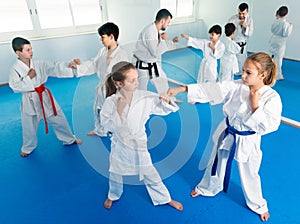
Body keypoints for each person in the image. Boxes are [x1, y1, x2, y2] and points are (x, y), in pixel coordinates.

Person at [168, 52, 282, 221]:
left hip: (248, 139)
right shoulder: (237, 85)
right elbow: (213, 89)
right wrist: (183, 89)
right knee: (216, 162)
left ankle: (258, 204)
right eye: (243, 70)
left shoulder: (271, 97)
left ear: (263, 75)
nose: (243, 75)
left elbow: (270, 125)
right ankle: (208, 188)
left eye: (248, 73)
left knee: (250, 173)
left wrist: (255, 104)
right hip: (228, 131)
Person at [100, 61, 183, 211]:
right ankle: (113, 195)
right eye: (132, 81)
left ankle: (164, 198)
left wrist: (166, 100)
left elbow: (163, 108)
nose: (137, 83)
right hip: (119, 145)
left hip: (139, 144)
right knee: (115, 173)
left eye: (137, 78)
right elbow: (105, 126)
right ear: (119, 83)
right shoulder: (110, 102)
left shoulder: (144, 97)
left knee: (150, 172)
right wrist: (118, 111)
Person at [9, 37, 82, 157]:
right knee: (29, 125)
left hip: (44, 95)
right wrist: (29, 78)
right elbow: (14, 87)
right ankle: (27, 148)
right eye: (27, 50)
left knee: (58, 117)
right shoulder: (14, 69)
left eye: (31, 49)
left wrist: (69, 64)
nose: (31, 52)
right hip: (29, 99)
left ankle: (69, 139)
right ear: (18, 52)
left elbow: (54, 66)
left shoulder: (38, 63)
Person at [69, 22, 129, 136]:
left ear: (111, 36)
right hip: (103, 87)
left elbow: (126, 76)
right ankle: (101, 130)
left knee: (115, 111)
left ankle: (117, 130)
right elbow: (93, 64)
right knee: (100, 109)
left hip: (115, 89)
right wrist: (79, 66)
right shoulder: (102, 51)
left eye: (103, 37)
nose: (101, 40)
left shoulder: (122, 55)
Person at [133, 8, 179, 94]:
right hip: (143, 63)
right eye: (168, 22)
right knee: (141, 88)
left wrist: (172, 42)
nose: (168, 24)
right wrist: (164, 40)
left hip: (149, 62)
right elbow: (155, 52)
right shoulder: (150, 32)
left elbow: (158, 45)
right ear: (162, 21)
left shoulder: (154, 30)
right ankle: (139, 104)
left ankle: (168, 97)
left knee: (162, 80)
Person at [228, 2, 254, 76]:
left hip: (242, 45)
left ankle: (240, 74)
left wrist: (246, 27)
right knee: (231, 61)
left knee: (241, 62)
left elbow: (250, 33)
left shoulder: (249, 20)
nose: (241, 15)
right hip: (233, 43)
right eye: (239, 13)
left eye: (243, 13)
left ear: (247, 11)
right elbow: (227, 31)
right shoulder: (232, 19)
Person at [269, 6, 293, 80]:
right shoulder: (285, 23)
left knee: (272, 56)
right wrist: (290, 26)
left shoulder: (275, 21)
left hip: (273, 39)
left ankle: (270, 72)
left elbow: (272, 30)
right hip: (280, 41)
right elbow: (286, 34)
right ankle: (277, 75)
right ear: (286, 14)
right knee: (279, 58)